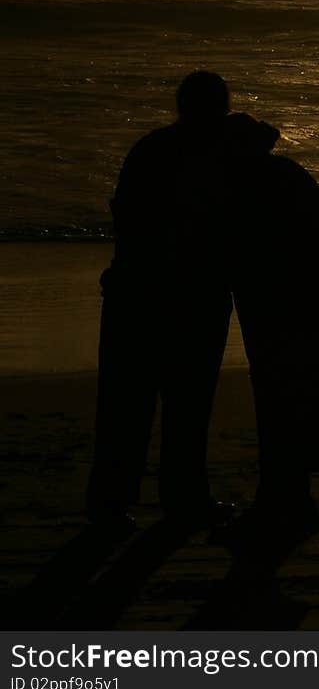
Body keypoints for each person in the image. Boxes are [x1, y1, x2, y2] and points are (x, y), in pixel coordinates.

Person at [86, 71, 237, 532]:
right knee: (187, 406)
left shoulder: (150, 149)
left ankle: (110, 504)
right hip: (192, 295)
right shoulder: (223, 158)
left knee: (125, 405)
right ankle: (183, 498)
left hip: (135, 291)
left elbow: (125, 217)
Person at [221, 111, 319, 570]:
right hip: (313, 305)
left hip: (289, 309)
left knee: (281, 398)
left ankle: (284, 498)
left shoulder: (255, 185)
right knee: (297, 400)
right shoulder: (287, 176)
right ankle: (290, 494)